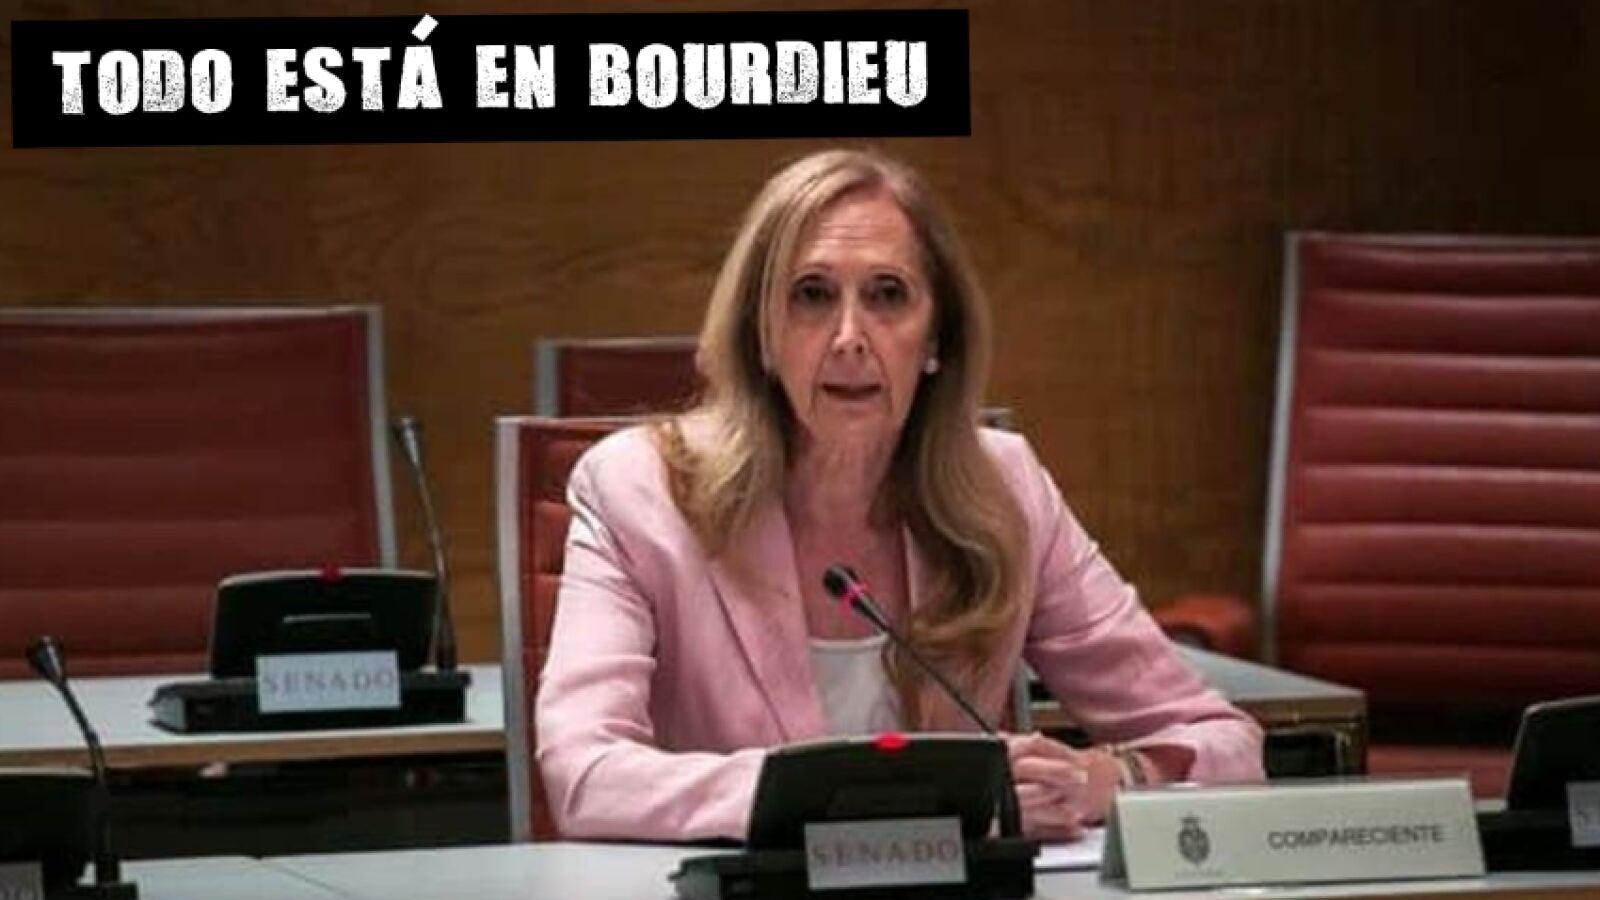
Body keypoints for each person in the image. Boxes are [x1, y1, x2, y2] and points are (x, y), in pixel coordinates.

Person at [535, 148, 1264, 843]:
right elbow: (584, 775)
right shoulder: (640, 492)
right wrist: (837, 795)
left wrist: (1109, 779)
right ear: (762, 333)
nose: (850, 337)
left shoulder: (1004, 490)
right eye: (812, 295)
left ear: (937, 336)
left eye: (888, 295)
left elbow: (1224, 741)